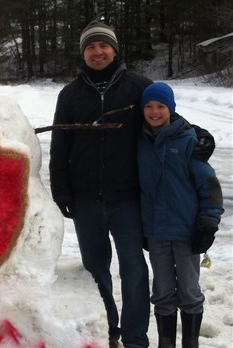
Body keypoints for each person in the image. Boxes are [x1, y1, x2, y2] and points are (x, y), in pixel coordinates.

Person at [48, 21, 215, 348]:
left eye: (103, 46)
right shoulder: (69, 94)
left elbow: (164, 117)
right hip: (85, 200)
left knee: (134, 272)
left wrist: (199, 135)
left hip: (129, 198)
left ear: (114, 49)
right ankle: (107, 328)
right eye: (91, 47)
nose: (98, 52)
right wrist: (61, 190)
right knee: (95, 270)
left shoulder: (138, 86)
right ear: (84, 52)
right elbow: (59, 145)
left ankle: (136, 339)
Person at [138, 82, 223, 348]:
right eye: (149, 106)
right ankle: (166, 343)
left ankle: (190, 343)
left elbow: (209, 186)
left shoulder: (189, 142)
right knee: (162, 291)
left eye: (161, 106)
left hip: (187, 232)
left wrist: (208, 225)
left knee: (189, 290)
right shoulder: (139, 141)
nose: (154, 112)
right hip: (156, 233)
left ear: (171, 109)